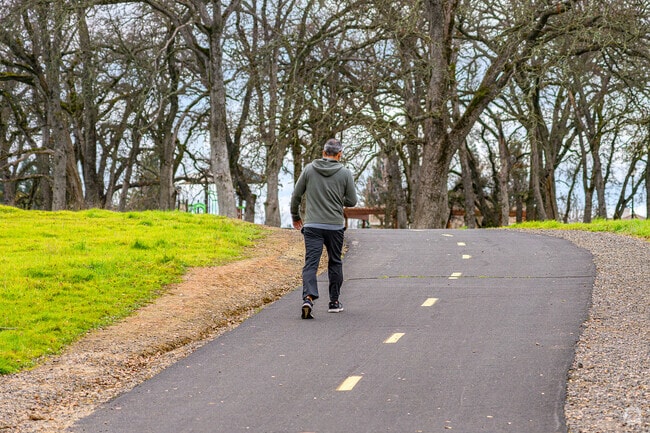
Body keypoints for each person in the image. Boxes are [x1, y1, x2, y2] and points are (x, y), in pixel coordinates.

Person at [290, 138, 357, 319]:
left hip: (312, 225)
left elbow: (296, 195)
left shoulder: (309, 169)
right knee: (335, 261)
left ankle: (308, 298)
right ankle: (334, 302)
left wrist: (296, 217)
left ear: (323, 152)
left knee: (311, 263)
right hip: (335, 226)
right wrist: (336, 198)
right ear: (339, 154)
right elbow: (352, 201)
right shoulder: (345, 173)